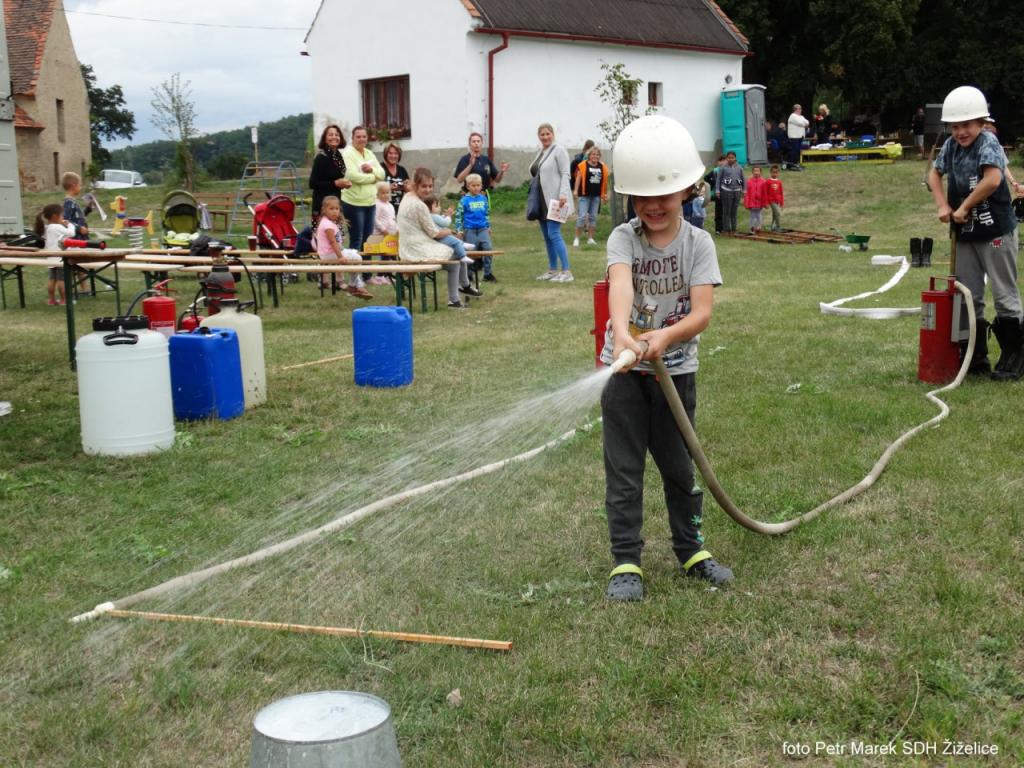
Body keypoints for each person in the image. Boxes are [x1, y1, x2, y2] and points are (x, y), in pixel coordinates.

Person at [599, 115, 734, 602]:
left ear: (687, 190)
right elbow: (620, 285)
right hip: (624, 375)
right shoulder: (623, 238)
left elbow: (701, 313)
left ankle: (691, 550)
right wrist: (622, 334)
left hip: (676, 374)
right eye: (641, 197)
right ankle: (626, 561)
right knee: (624, 470)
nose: (653, 206)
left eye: (664, 195)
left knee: (680, 467)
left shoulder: (699, 244)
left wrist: (666, 337)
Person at [927, 85, 1022, 381]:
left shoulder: (988, 143)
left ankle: (1014, 357)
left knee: (1004, 293)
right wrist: (943, 205)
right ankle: (974, 357)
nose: (960, 132)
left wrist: (965, 205)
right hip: (965, 233)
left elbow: (992, 180)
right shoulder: (951, 146)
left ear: (981, 122)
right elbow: (934, 174)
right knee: (967, 294)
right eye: (955, 126)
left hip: (996, 231)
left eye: (966, 125)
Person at [398, 167, 482, 309]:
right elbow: (434, 233)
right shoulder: (419, 205)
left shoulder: (407, 197)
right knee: (457, 252)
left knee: (455, 260)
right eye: (424, 186)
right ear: (415, 185)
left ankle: (456, 298)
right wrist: (448, 232)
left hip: (408, 246)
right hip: (416, 249)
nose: (428, 190)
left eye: (430, 186)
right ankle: (463, 288)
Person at [530, 123, 574, 283]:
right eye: (542, 134)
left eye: (547, 134)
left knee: (554, 233)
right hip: (542, 200)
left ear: (553, 134)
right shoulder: (541, 152)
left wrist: (563, 194)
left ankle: (567, 271)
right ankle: (552, 269)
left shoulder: (559, 150)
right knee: (547, 236)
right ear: (538, 136)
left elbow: (565, 173)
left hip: (556, 200)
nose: (545, 137)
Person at [341, 125, 385, 260]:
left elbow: (382, 174)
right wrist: (373, 178)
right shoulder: (347, 154)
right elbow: (352, 176)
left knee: (368, 240)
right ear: (353, 138)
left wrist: (372, 171)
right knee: (357, 239)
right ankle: (354, 271)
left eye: (364, 136)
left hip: (370, 203)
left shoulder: (369, 153)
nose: (361, 139)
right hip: (353, 203)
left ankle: (367, 270)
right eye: (358, 136)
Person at [314, 195, 371, 299]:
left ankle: (357, 286)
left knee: (354, 254)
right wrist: (340, 257)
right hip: (329, 254)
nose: (335, 211)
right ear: (324, 210)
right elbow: (332, 242)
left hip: (329, 253)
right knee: (357, 258)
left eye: (337, 209)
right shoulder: (327, 225)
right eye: (331, 209)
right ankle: (353, 286)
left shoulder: (327, 221)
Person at [308, 124, 352, 225]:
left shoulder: (338, 156)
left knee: (337, 233)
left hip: (335, 204)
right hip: (322, 205)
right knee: (322, 234)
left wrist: (345, 184)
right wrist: (335, 183)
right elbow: (312, 183)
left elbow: (339, 177)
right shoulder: (321, 157)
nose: (334, 137)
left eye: (337, 135)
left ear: (340, 138)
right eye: (330, 135)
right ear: (325, 139)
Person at [458, 173, 497, 282]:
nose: (476, 188)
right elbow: (459, 216)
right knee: (472, 251)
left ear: (481, 186)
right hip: (469, 229)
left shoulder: (483, 199)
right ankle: (469, 274)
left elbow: (486, 214)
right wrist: (459, 230)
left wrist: (488, 226)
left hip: (482, 229)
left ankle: (487, 273)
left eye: (478, 185)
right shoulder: (464, 200)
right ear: (468, 187)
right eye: (473, 185)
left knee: (488, 249)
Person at [36, 203, 74, 305]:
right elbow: (71, 233)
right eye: (61, 215)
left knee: (52, 279)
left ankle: (52, 299)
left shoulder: (46, 227)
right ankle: (64, 299)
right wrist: (70, 225)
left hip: (50, 257)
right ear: (55, 216)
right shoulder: (56, 227)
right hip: (60, 258)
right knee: (61, 280)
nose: (63, 217)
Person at [62, 171, 94, 293]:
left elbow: (77, 218)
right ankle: (80, 289)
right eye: (80, 185)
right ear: (73, 186)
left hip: (81, 238)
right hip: (76, 239)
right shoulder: (68, 202)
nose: (80, 187)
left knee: (81, 265)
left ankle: (84, 289)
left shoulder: (73, 202)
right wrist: (79, 228)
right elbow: (66, 221)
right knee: (78, 265)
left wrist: (88, 209)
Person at [572, 146, 608, 247]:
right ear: (589, 155)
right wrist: (575, 190)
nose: (595, 156)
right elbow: (578, 178)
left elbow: (604, 181)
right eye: (593, 154)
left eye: (597, 155)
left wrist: (605, 194)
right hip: (584, 195)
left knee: (593, 217)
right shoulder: (583, 165)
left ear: (600, 156)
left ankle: (590, 238)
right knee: (582, 216)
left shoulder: (602, 167)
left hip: (596, 196)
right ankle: (577, 238)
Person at [370, 180, 398, 286]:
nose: (386, 195)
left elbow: (392, 219)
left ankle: (387, 275)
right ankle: (379, 276)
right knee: (385, 255)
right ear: (377, 194)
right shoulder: (377, 204)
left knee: (391, 254)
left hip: (390, 234)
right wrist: (383, 229)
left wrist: (396, 229)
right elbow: (375, 219)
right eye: (383, 193)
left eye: (388, 192)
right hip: (380, 234)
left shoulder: (390, 205)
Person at [716, 151, 744, 233]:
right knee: (726, 211)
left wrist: (744, 190)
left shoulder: (740, 167)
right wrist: (717, 190)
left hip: (737, 191)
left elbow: (743, 179)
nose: (731, 159)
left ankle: (734, 229)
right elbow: (718, 179)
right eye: (729, 158)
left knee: (734, 211)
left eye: (732, 157)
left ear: (735, 158)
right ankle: (726, 229)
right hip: (726, 191)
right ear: (727, 158)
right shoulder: (723, 168)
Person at [380, 142, 409, 211]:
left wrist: (406, 186)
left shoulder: (402, 170)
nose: (393, 156)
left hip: (399, 209)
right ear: (386, 154)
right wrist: (388, 188)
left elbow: (409, 189)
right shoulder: (379, 168)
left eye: (396, 153)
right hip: (383, 209)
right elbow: (373, 189)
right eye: (390, 153)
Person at [743, 166, 768, 234]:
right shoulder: (749, 181)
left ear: (760, 172)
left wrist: (765, 203)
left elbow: (765, 193)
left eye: (758, 171)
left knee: (759, 215)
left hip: (760, 202)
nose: (756, 172)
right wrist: (746, 203)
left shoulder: (763, 181)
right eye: (755, 171)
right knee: (752, 215)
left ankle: (758, 227)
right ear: (752, 172)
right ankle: (752, 228)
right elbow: (746, 193)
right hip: (752, 202)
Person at [786, 104, 809, 170]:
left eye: (801, 108)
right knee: (794, 150)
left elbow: (807, 122)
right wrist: (804, 124)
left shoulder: (801, 116)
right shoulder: (792, 116)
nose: (801, 110)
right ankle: (791, 164)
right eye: (799, 109)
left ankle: (796, 163)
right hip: (794, 136)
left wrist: (805, 123)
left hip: (800, 136)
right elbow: (800, 123)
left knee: (798, 151)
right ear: (796, 109)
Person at [765, 165, 785, 232]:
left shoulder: (779, 182)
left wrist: (782, 203)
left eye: (776, 172)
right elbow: (766, 192)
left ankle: (772, 227)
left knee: (775, 214)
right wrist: (766, 202)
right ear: (770, 172)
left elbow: (781, 193)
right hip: (771, 201)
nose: (775, 174)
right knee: (778, 213)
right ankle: (778, 227)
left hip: (777, 201)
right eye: (773, 172)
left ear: (778, 173)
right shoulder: (768, 181)